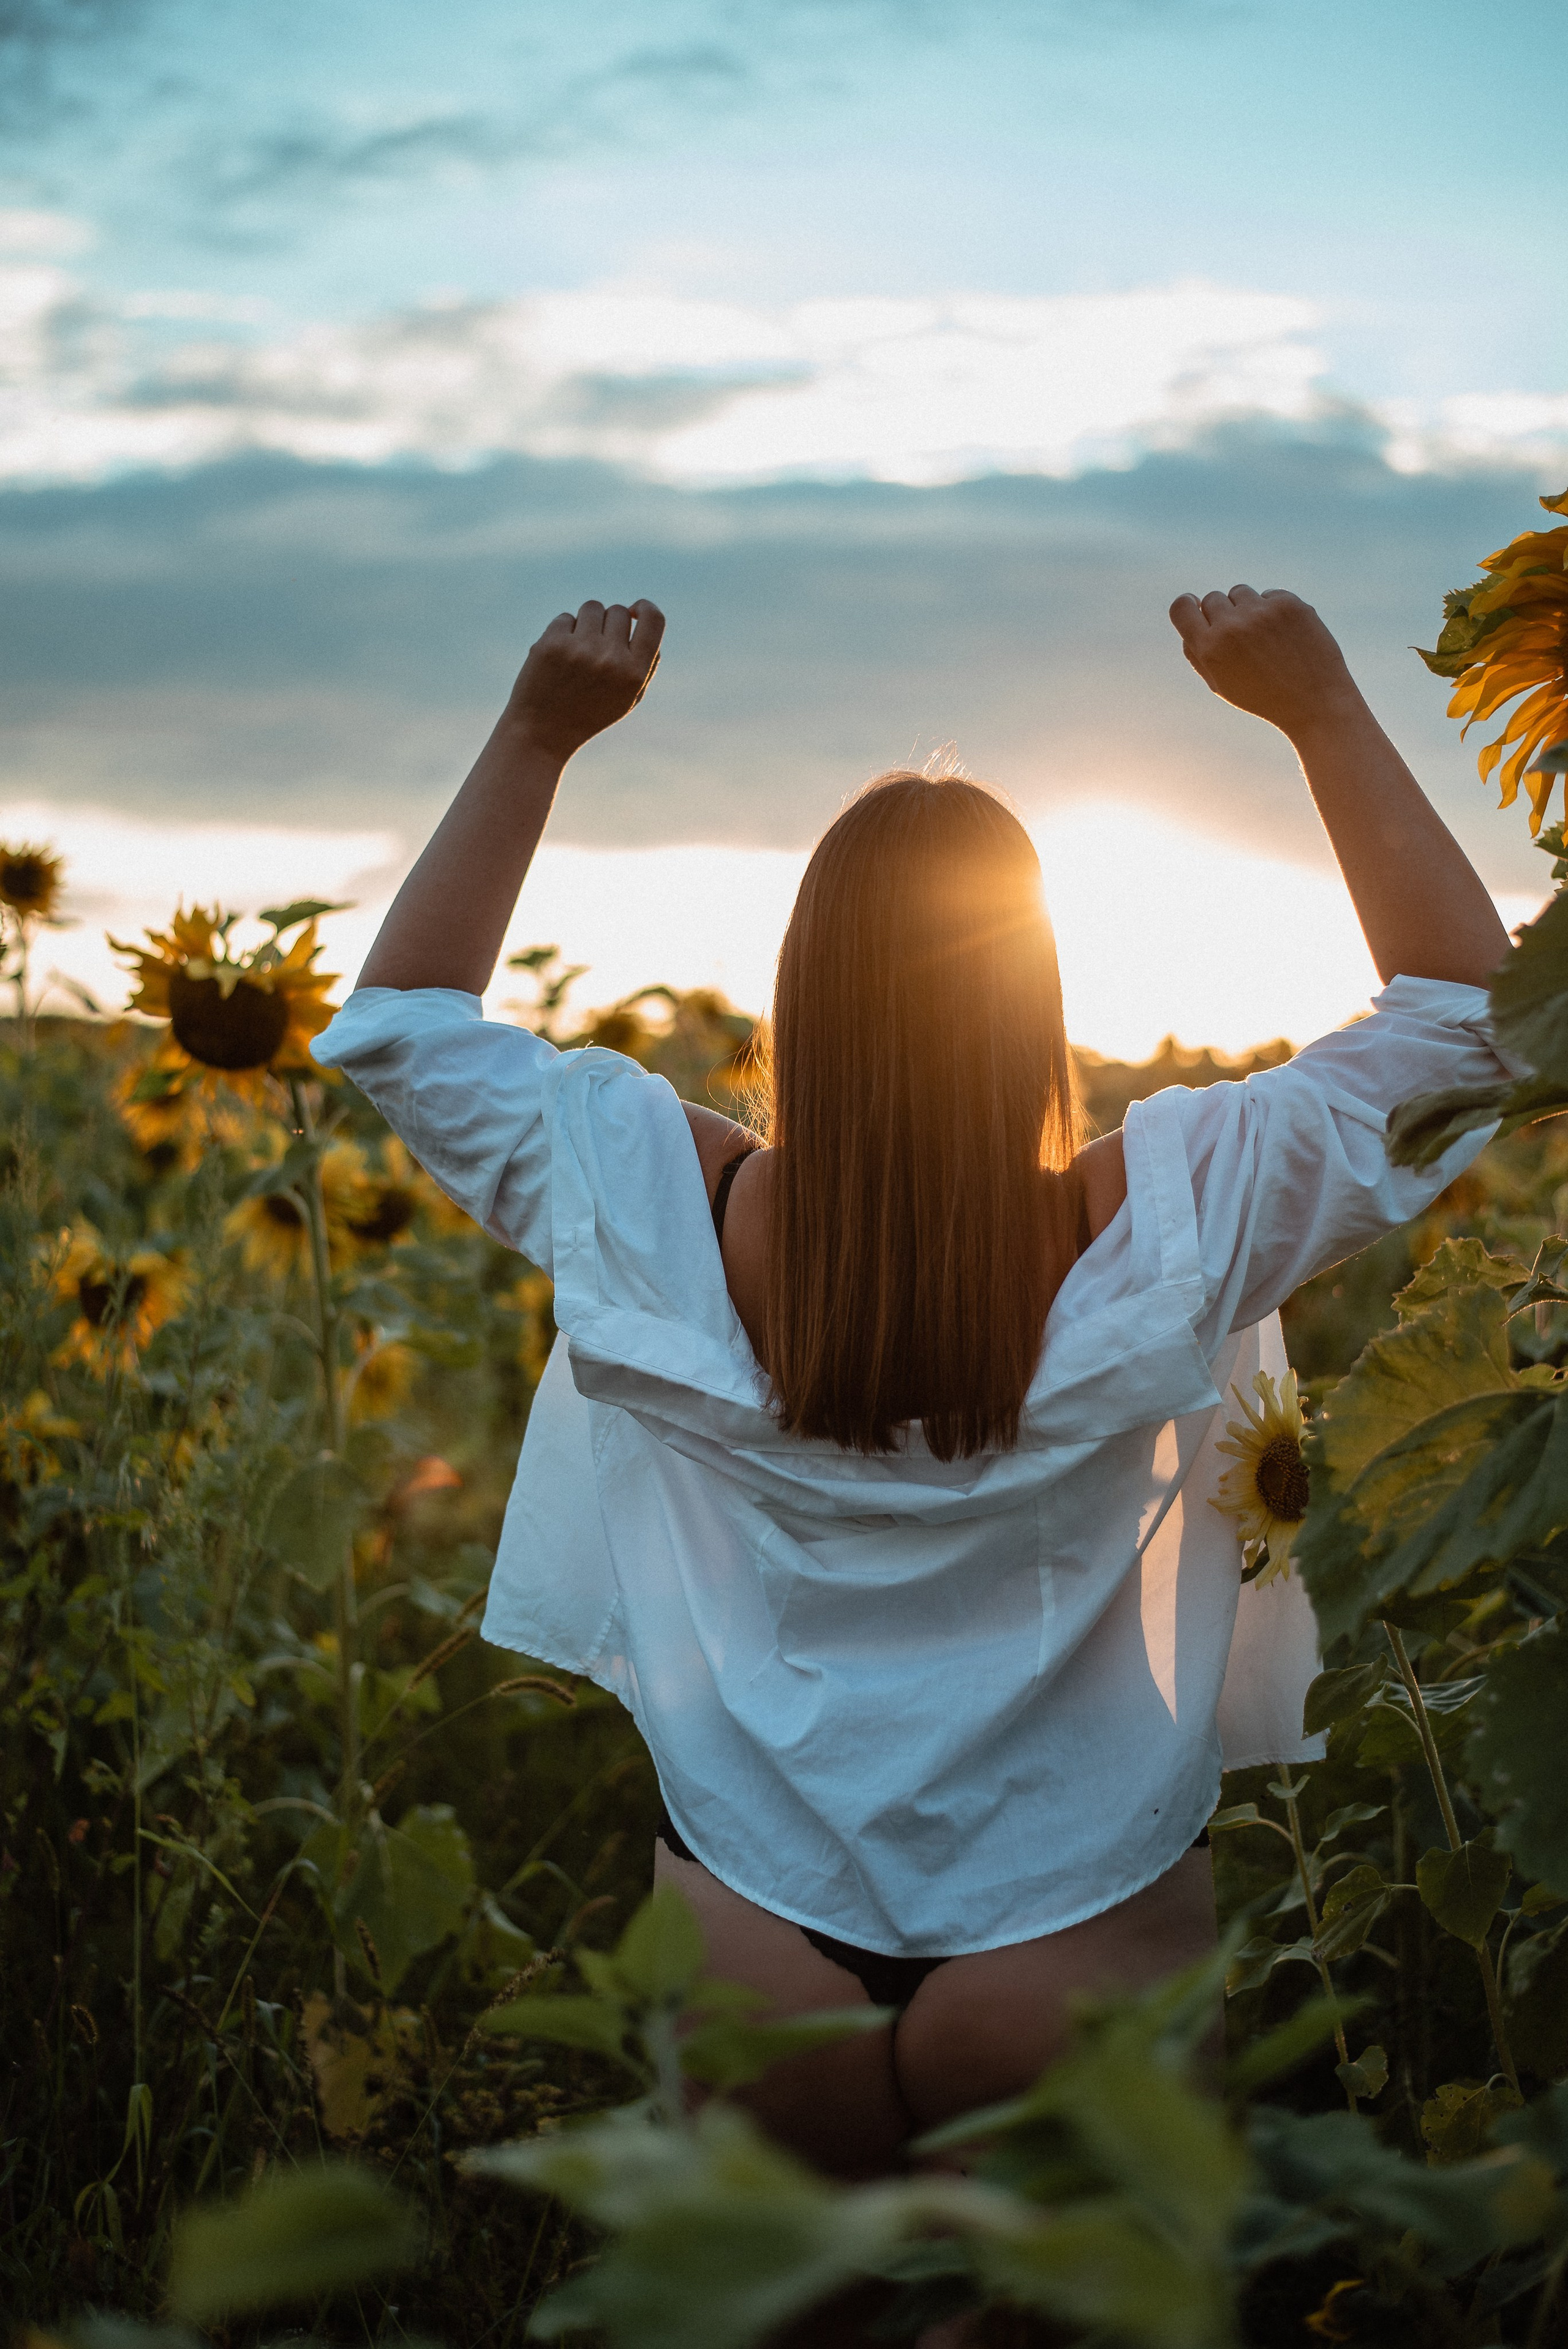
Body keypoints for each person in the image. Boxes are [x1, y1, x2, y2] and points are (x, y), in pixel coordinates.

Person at [313, 588, 1512, 2192]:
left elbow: (396, 1025)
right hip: (1073, 1925)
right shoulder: (1169, 1218)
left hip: (755, 1919)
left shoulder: (652, 1197)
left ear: (803, 990)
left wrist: (539, 731)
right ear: (1031, 1003)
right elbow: (1469, 1030)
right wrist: (1319, 708)